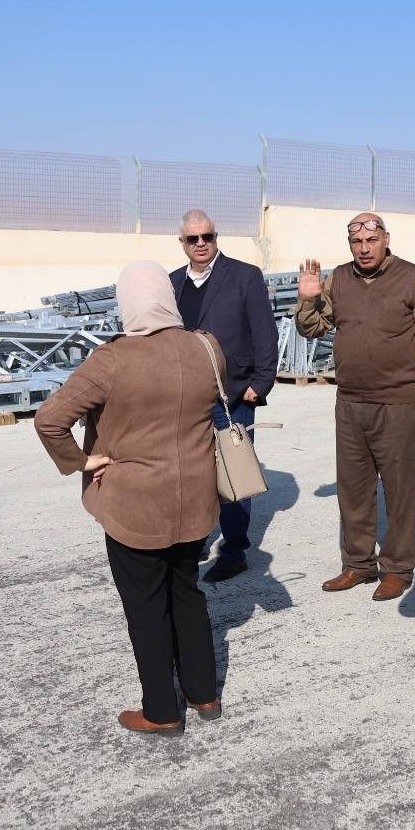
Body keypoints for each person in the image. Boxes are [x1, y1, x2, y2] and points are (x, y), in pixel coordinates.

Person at [34, 261, 224, 737]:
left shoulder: (112, 359)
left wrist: (81, 461)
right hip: (195, 498)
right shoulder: (206, 347)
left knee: (146, 607)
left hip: (136, 507)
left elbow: (49, 420)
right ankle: (204, 693)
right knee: (187, 591)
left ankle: (161, 711)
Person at [296, 213, 415, 602]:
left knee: (399, 490)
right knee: (353, 489)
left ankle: (397, 568)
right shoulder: (339, 279)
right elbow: (312, 328)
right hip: (350, 402)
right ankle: (358, 563)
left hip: (397, 403)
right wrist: (308, 298)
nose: (364, 249)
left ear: (386, 239)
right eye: (357, 243)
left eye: (371, 241)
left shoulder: (413, 279)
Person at [168, 209, 278, 583]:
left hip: (234, 392)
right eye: (193, 238)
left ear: (216, 237)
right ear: (182, 242)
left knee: (233, 473)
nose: (201, 244)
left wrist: (260, 383)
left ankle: (234, 551)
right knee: (193, 473)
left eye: (207, 237)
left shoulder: (245, 276)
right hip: (187, 396)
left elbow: (265, 332)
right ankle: (196, 538)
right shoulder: (173, 283)